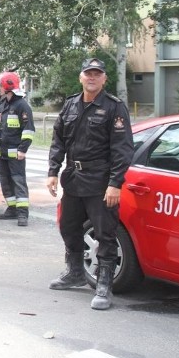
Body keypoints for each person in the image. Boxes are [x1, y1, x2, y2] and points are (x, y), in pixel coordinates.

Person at [46, 58, 133, 310]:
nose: (92, 78)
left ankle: (104, 284)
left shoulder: (114, 108)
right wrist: (53, 170)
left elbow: (123, 149)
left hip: (100, 180)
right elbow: (58, 139)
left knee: (105, 233)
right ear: (81, 77)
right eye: (88, 74)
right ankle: (74, 272)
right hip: (73, 177)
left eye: (97, 74)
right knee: (68, 226)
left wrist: (115, 183)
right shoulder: (71, 104)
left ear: (104, 79)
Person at [0, 71, 34, 226]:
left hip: (16, 154)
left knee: (18, 182)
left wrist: (22, 150)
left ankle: (23, 214)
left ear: (6, 88)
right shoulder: (3, 104)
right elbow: (3, 128)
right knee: (6, 182)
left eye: (0, 86)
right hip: (3, 152)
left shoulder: (22, 105)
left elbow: (28, 130)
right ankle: (12, 209)